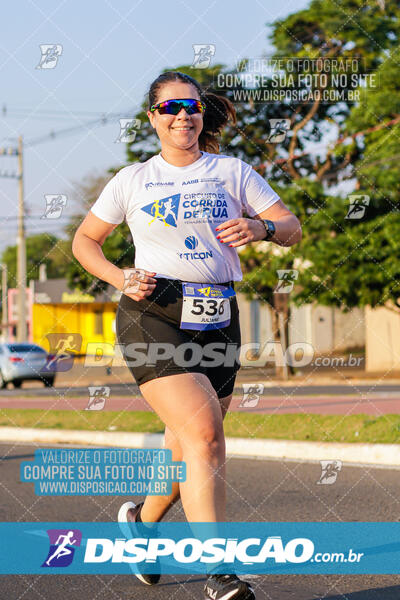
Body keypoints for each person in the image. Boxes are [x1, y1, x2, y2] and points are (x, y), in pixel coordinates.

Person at [72, 70, 302, 600]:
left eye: (192, 106)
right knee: (204, 436)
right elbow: (87, 240)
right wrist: (119, 275)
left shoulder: (232, 171)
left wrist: (263, 228)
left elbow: (291, 227)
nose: (183, 115)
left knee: (188, 445)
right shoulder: (132, 179)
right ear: (153, 117)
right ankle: (220, 572)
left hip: (219, 315)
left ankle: (141, 526)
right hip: (152, 311)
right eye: (171, 107)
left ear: (203, 114)